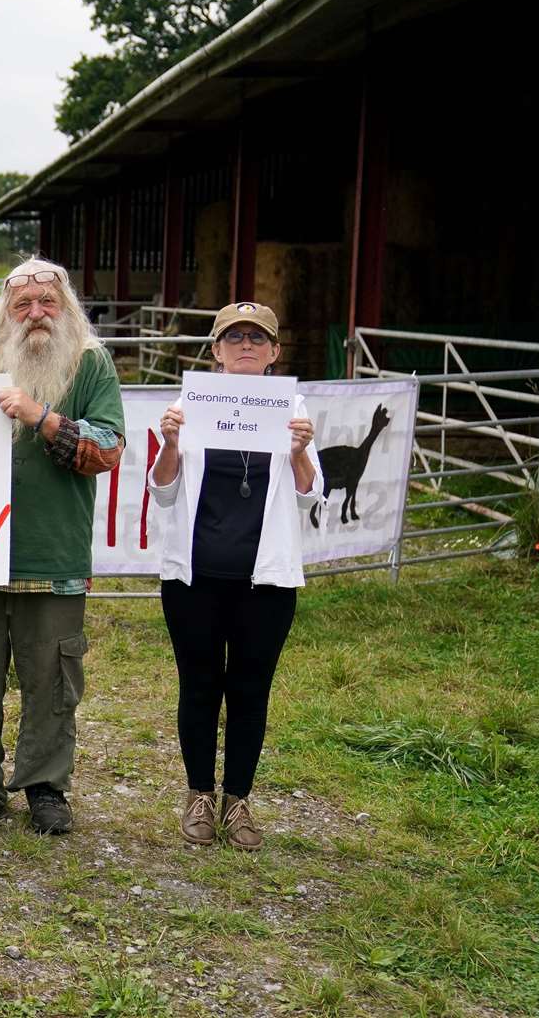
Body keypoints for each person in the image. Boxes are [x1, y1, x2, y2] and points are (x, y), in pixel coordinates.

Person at [0, 259, 125, 836]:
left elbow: (107, 449)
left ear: (65, 307)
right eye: (24, 305)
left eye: (47, 303)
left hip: (53, 555)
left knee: (52, 680)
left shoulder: (89, 363)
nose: (36, 314)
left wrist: (42, 417)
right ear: (6, 312)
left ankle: (46, 787)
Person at [149, 300, 321, 851]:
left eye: (257, 337)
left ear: (274, 352)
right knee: (198, 685)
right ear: (216, 351)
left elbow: (310, 494)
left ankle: (238, 800)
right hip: (193, 576)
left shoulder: (293, 410)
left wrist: (298, 453)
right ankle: (199, 795)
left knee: (251, 690)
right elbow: (164, 490)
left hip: (265, 579)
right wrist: (171, 444)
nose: (245, 344)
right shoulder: (188, 406)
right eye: (234, 336)